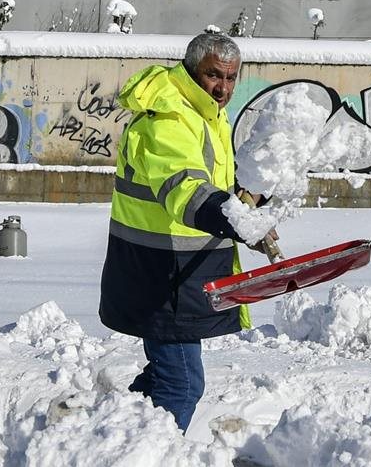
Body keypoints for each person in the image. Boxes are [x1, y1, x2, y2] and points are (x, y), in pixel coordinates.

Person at [99, 32, 270, 432]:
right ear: (192, 70)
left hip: (179, 272)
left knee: (163, 379)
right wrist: (238, 221)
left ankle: (109, 438)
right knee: (182, 385)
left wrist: (253, 199)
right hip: (160, 276)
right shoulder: (169, 118)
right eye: (214, 75)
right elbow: (186, 192)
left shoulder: (205, 114)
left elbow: (214, 186)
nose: (223, 87)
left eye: (231, 78)